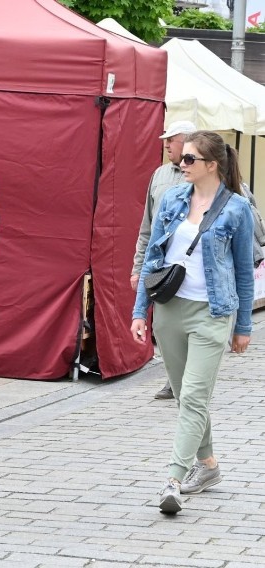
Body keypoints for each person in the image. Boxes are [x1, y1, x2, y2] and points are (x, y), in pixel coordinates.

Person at [131, 131, 255, 515]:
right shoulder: (172, 199)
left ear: (211, 165)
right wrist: (139, 312)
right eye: (181, 158)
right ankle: (209, 466)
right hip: (170, 310)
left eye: (188, 160)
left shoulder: (237, 209)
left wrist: (244, 326)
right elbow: (154, 258)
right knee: (187, 397)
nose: (180, 165)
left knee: (195, 397)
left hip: (212, 313)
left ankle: (173, 479)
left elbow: (244, 272)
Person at [131, 120, 197, 400]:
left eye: (172, 139)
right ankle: (174, 379)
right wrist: (138, 268)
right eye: (166, 140)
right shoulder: (159, 175)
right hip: (162, 265)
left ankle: (190, 380)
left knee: (191, 326)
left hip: (194, 267)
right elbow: (147, 226)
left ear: (189, 142)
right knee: (165, 327)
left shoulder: (203, 175)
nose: (167, 144)